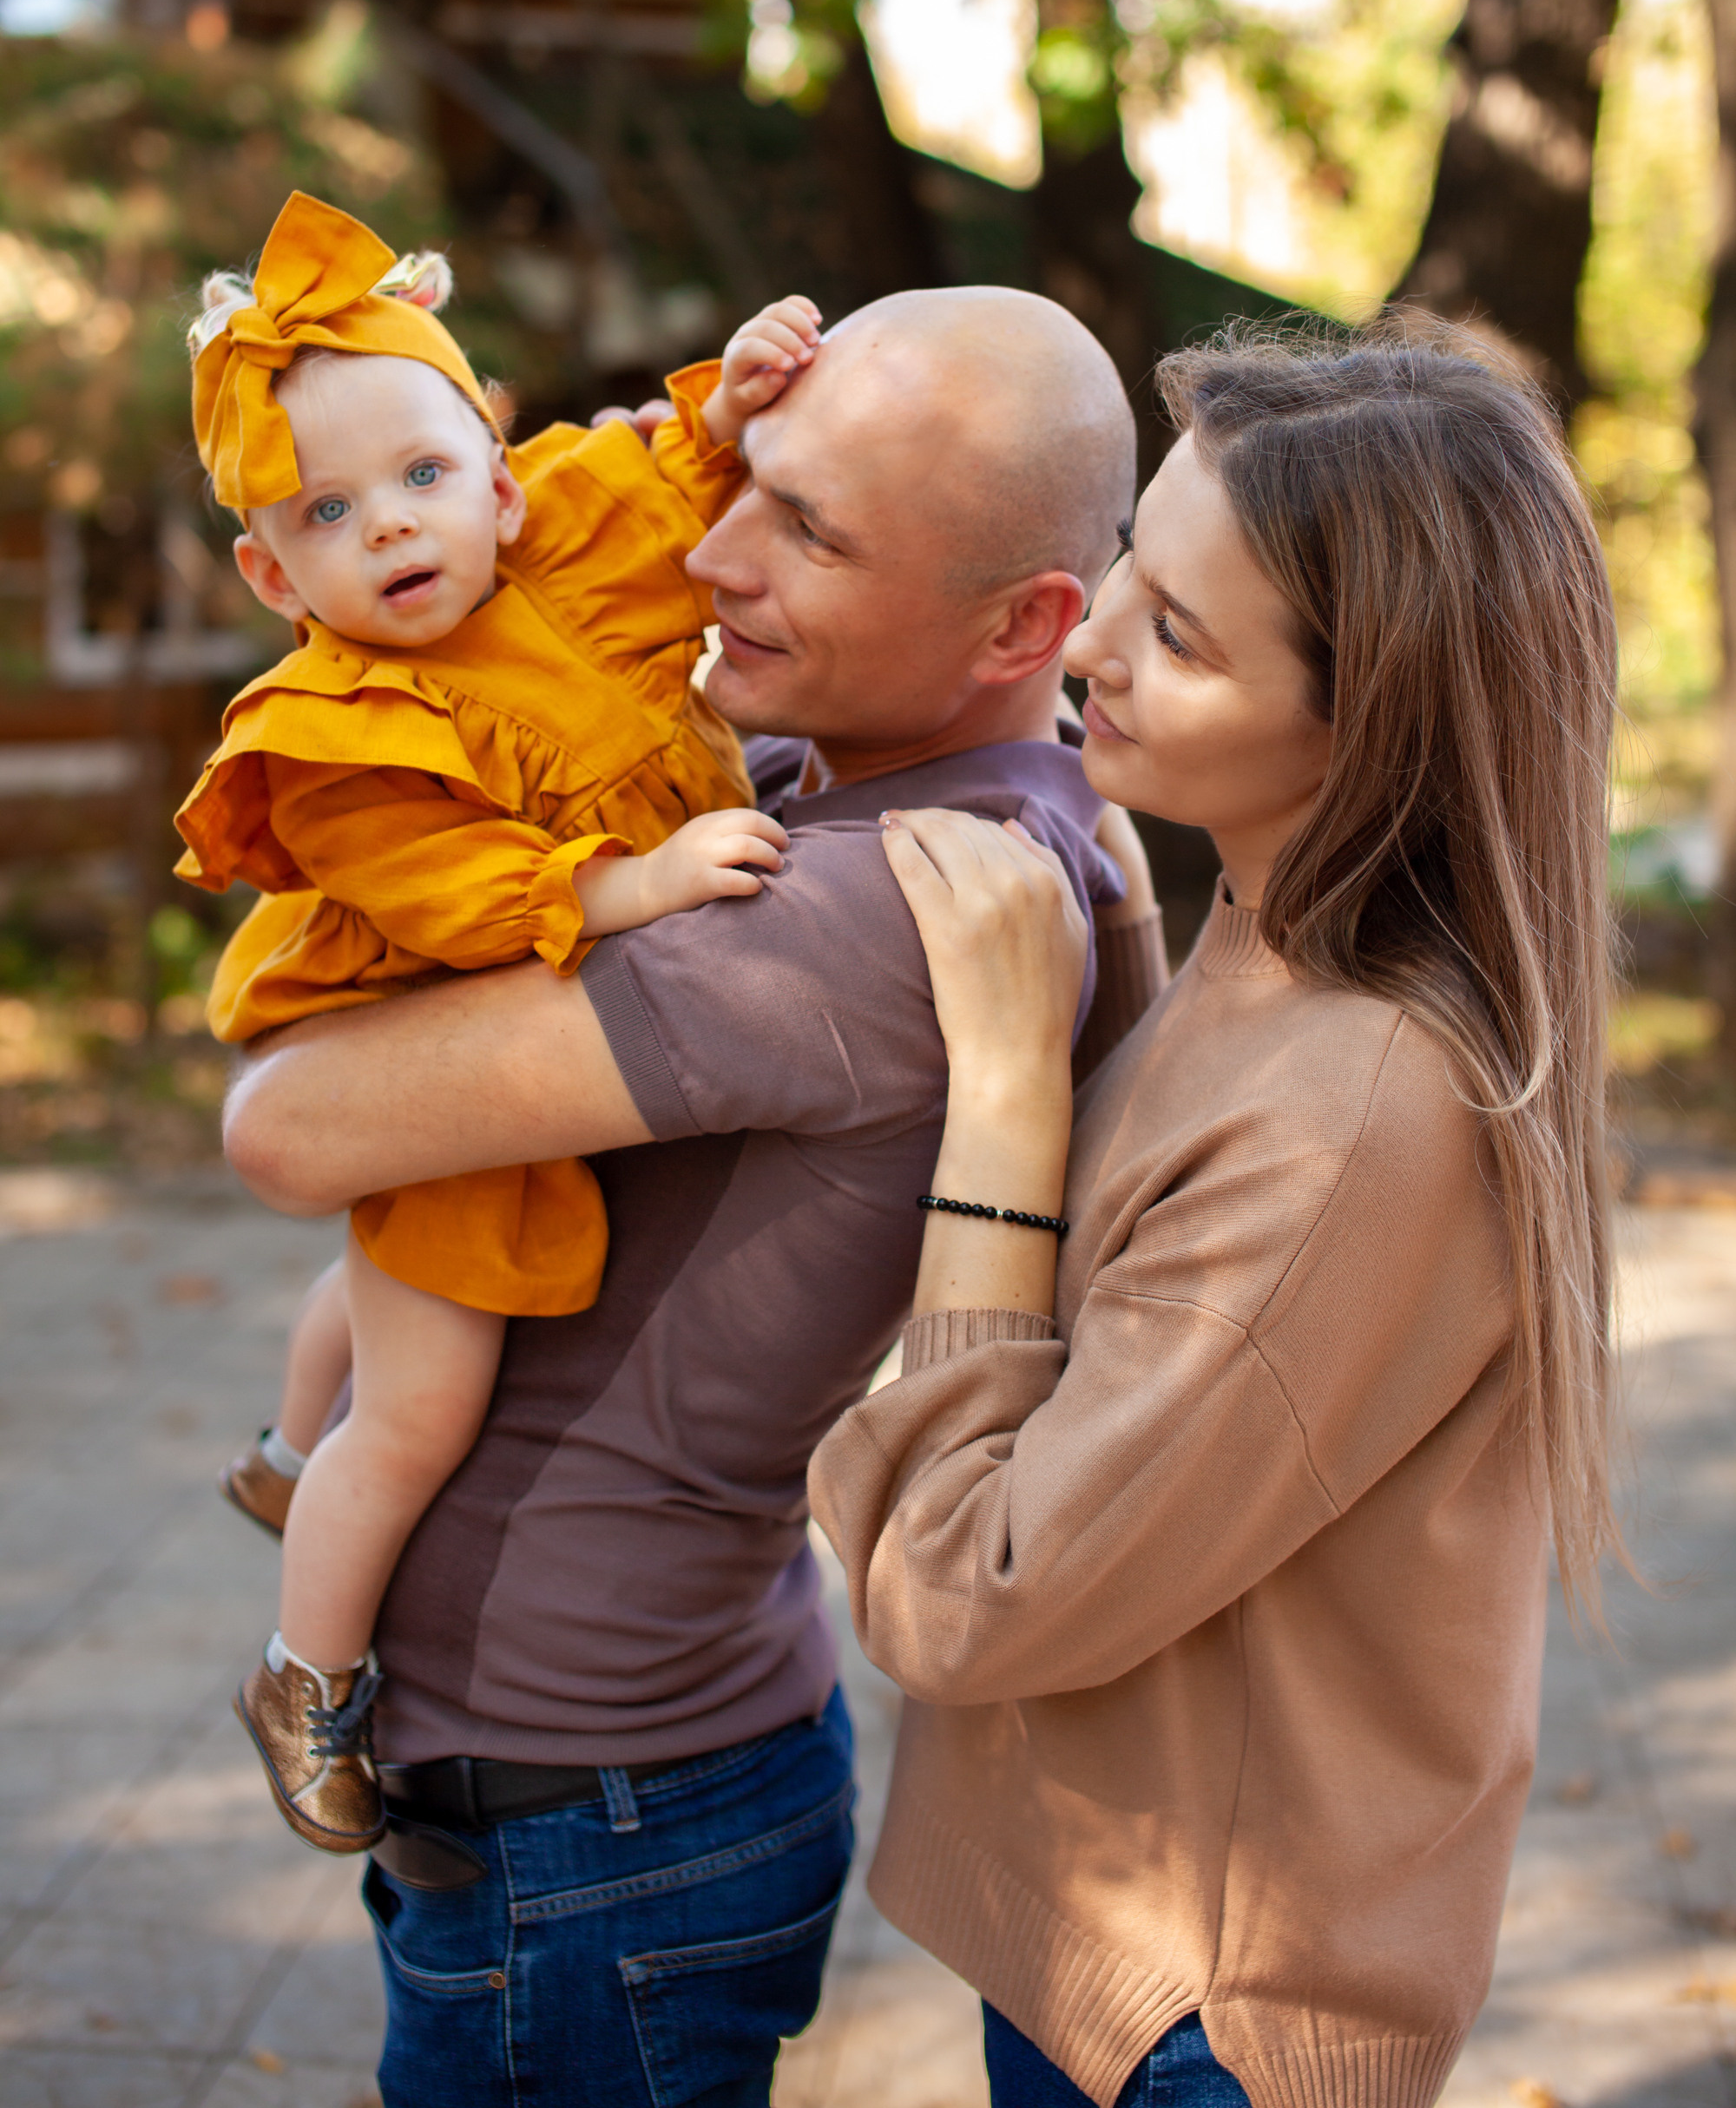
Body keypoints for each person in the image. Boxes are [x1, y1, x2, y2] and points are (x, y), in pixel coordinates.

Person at [220, 282, 1163, 2108]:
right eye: (753, 482)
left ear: (1022, 622)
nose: (715, 553)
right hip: (631, 1765)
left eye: (805, 525)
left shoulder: (871, 909)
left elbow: (287, 1127)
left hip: (585, 1810)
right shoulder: (869, 791)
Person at [808, 321, 1621, 2108]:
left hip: (1206, 2027)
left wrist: (1011, 1096)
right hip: (1113, 1959)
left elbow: (963, 1595)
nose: (1086, 641)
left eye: (1175, 638)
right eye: (1126, 571)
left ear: (1367, 728)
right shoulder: (1268, 932)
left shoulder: (1359, 1116)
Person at [176, 187, 812, 1855]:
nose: (390, 528)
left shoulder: (562, 560)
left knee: (374, 1294)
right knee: (423, 1403)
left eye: (423, 476)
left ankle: (274, 1448)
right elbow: (466, 906)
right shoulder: (336, 733)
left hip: (491, 1046)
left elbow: (681, 481)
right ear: (269, 567)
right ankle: (305, 1670)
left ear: (502, 476)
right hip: (436, 1044)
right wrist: (644, 881)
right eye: (328, 510)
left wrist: (735, 402)